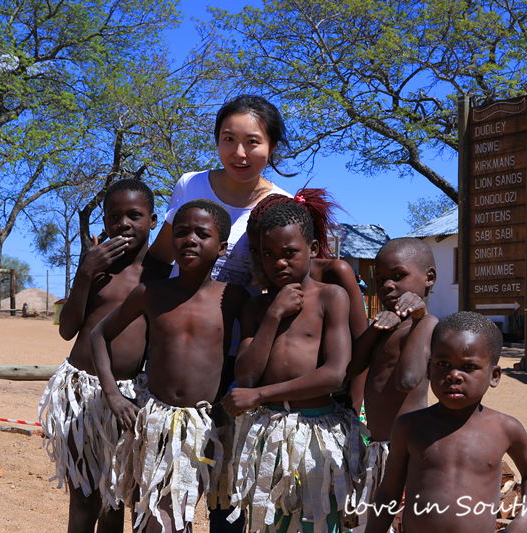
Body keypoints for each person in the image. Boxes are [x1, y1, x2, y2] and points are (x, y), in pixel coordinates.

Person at [146, 95, 293, 532]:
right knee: (170, 479)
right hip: (176, 350)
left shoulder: (281, 204)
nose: (240, 153)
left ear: (272, 147)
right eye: (228, 140)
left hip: (237, 355)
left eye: (253, 141)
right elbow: (156, 262)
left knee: (226, 486)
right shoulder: (190, 185)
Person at [89, 199, 249, 533]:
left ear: (222, 248)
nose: (189, 239)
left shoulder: (233, 297)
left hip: (203, 427)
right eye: (181, 232)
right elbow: (99, 336)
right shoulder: (150, 293)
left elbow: (257, 344)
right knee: (150, 517)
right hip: (154, 421)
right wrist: (113, 395)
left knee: (180, 517)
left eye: (201, 234)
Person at [223, 203, 366, 533]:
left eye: (289, 252)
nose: (279, 263)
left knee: (320, 519)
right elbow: (244, 374)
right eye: (269, 255)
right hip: (268, 431)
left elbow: (335, 374)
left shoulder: (332, 297)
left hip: (318, 431)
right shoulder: (256, 307)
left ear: (312, 248)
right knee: (271, 519)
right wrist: (273, 314)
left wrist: (260, 393)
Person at [39, 179, 170, 533]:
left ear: (154, 220)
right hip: (81, 391)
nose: (123, 223)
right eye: (114, 216)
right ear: (105, 219)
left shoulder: (162, 275)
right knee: (84, 498)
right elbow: (68, 329)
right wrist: (86, 271)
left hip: (128, 396)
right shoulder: (95, 267)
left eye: (134, 215)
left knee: (115, 497)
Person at [365, 312, 527, 533]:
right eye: (443, 363)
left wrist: (524, 521)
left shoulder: (505, 429)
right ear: (429, 369)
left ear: (494, 375)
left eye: (468, 367)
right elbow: (388, 493)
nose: (453, 375)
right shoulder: (409, 427)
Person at [245, 188, 369, 413]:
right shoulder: (264, 297)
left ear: (309, 247)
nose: (262, 260)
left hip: (328, 401)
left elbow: (361, 346)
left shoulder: (334, 277)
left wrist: (354, 407)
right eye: (261, 251)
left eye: (287, 251)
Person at [348, 237, 438, 514]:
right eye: (381, 279)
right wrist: (375, 330)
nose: (387, 285)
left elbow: (408, 380)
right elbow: (350, 371)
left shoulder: (429, 326)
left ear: (429, 278)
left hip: (407, 452)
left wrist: (418, 320)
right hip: (376, 449)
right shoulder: (384, 326)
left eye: (398, 276)